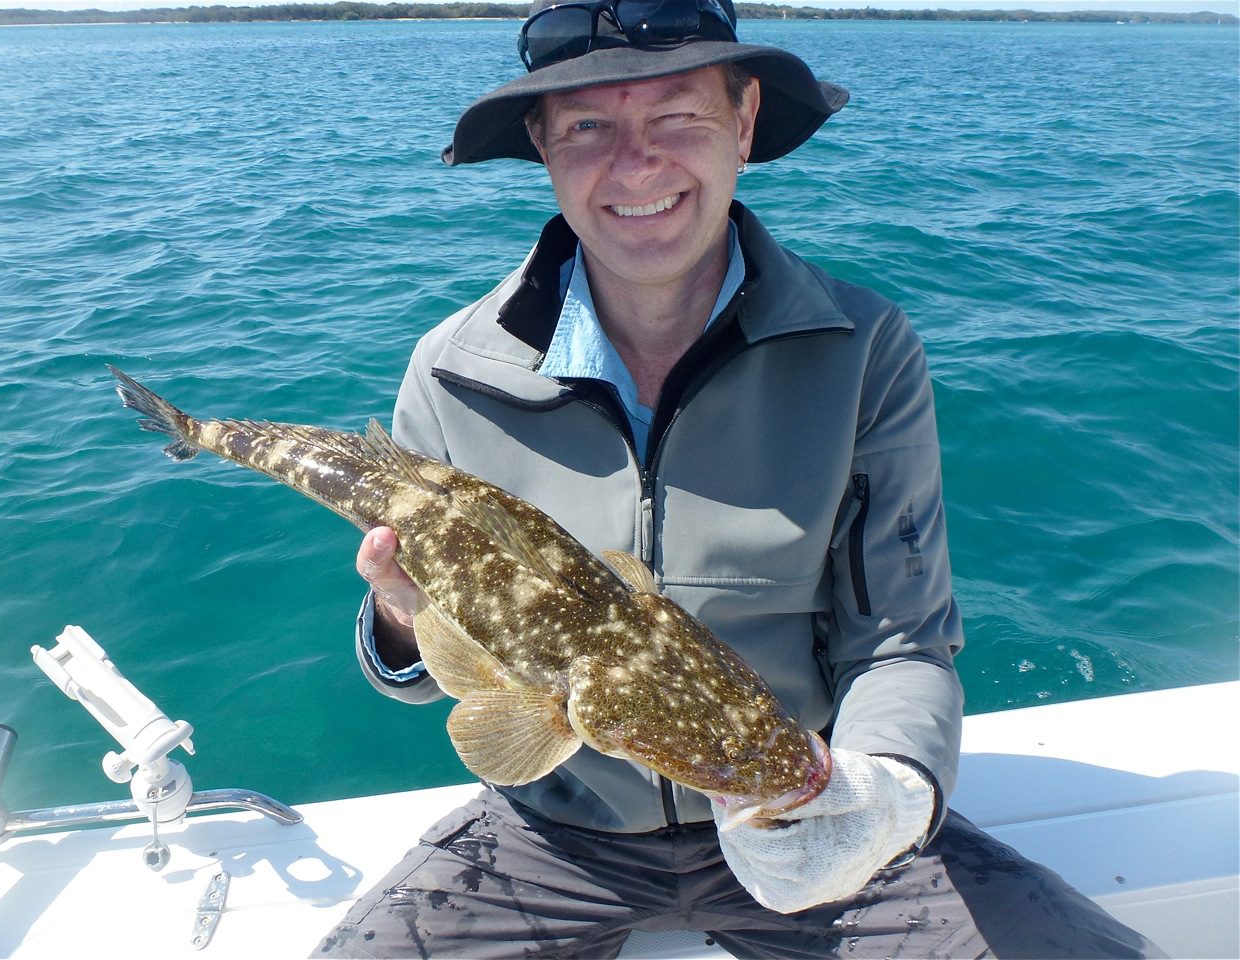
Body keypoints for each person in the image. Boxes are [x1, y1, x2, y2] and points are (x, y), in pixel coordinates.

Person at [315, 2, 1164, 957]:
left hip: (797, 797)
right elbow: (426, 673)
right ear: (544, 147)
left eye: (678, 116)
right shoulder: (450, 371)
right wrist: (397, 617)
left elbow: (901, 642)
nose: (637, 166)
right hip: (552, 833)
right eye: (589, 126)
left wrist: (878, 792)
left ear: (746, 122)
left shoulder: (862, 351)